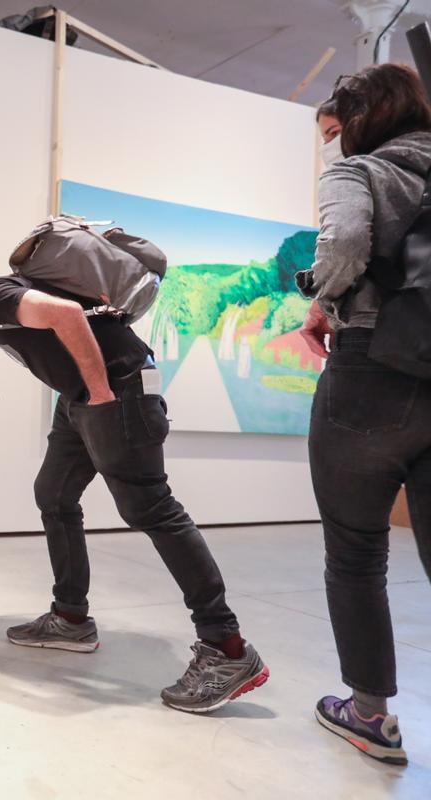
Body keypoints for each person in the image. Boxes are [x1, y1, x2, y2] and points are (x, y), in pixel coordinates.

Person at [0, 269, 268, 713]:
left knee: (152, 510)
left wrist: (99, 392)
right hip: (78, 401)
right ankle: (70, 619)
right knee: (53, 494)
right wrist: (82, 395)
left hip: (117, 392)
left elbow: (67, 314)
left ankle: (227, 648)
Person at [297, 63, 431, 766]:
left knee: (356, 551)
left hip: (371, 373)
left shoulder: (361, 173)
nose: (331, 146)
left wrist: (319, 293)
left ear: (361, 120)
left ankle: (371, 717)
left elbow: (345, 245)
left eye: (332, 131)